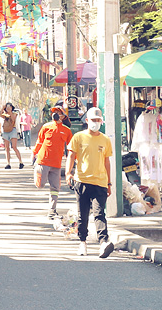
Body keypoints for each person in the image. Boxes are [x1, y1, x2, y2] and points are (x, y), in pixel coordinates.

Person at [68, 107, 115, 258]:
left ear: (101, 122)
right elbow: (71, 155)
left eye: (98, 120)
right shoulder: (78, 137)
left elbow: (107, 162)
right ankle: (82, 242)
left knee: (99, 213)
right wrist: (68, 173)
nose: (95, 123)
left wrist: (108, 182)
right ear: (87, 121)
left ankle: (103, 243)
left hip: (100, 182)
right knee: (83, 215)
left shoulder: (105, 140)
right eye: (93, 120)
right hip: (81, 181)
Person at [32, 107, 73, 218]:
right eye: (54, 113)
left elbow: (71, 148)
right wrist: (34, 153)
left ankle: (52, 209)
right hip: (43, 161)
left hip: (56, 164)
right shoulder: (46, 127)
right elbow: (40, 141)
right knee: (40, 185)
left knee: (55, 188)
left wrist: (74, 159)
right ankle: (36, 170)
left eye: (58, 113)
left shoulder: (66, 131)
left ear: (63, 116)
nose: (55, 114)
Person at [0, 102, 24, 170]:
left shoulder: (15, 114)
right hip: (5, 131)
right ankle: (8, 163)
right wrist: (2, 108)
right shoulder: (4, 115)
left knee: (14, 147)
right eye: (7, 107)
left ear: (12, 108)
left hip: (13, 130)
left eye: (9, 107)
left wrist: (10, 112)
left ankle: (20, 162)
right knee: (7, 148)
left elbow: (13, 120)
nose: (8, 108)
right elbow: (0, 115)